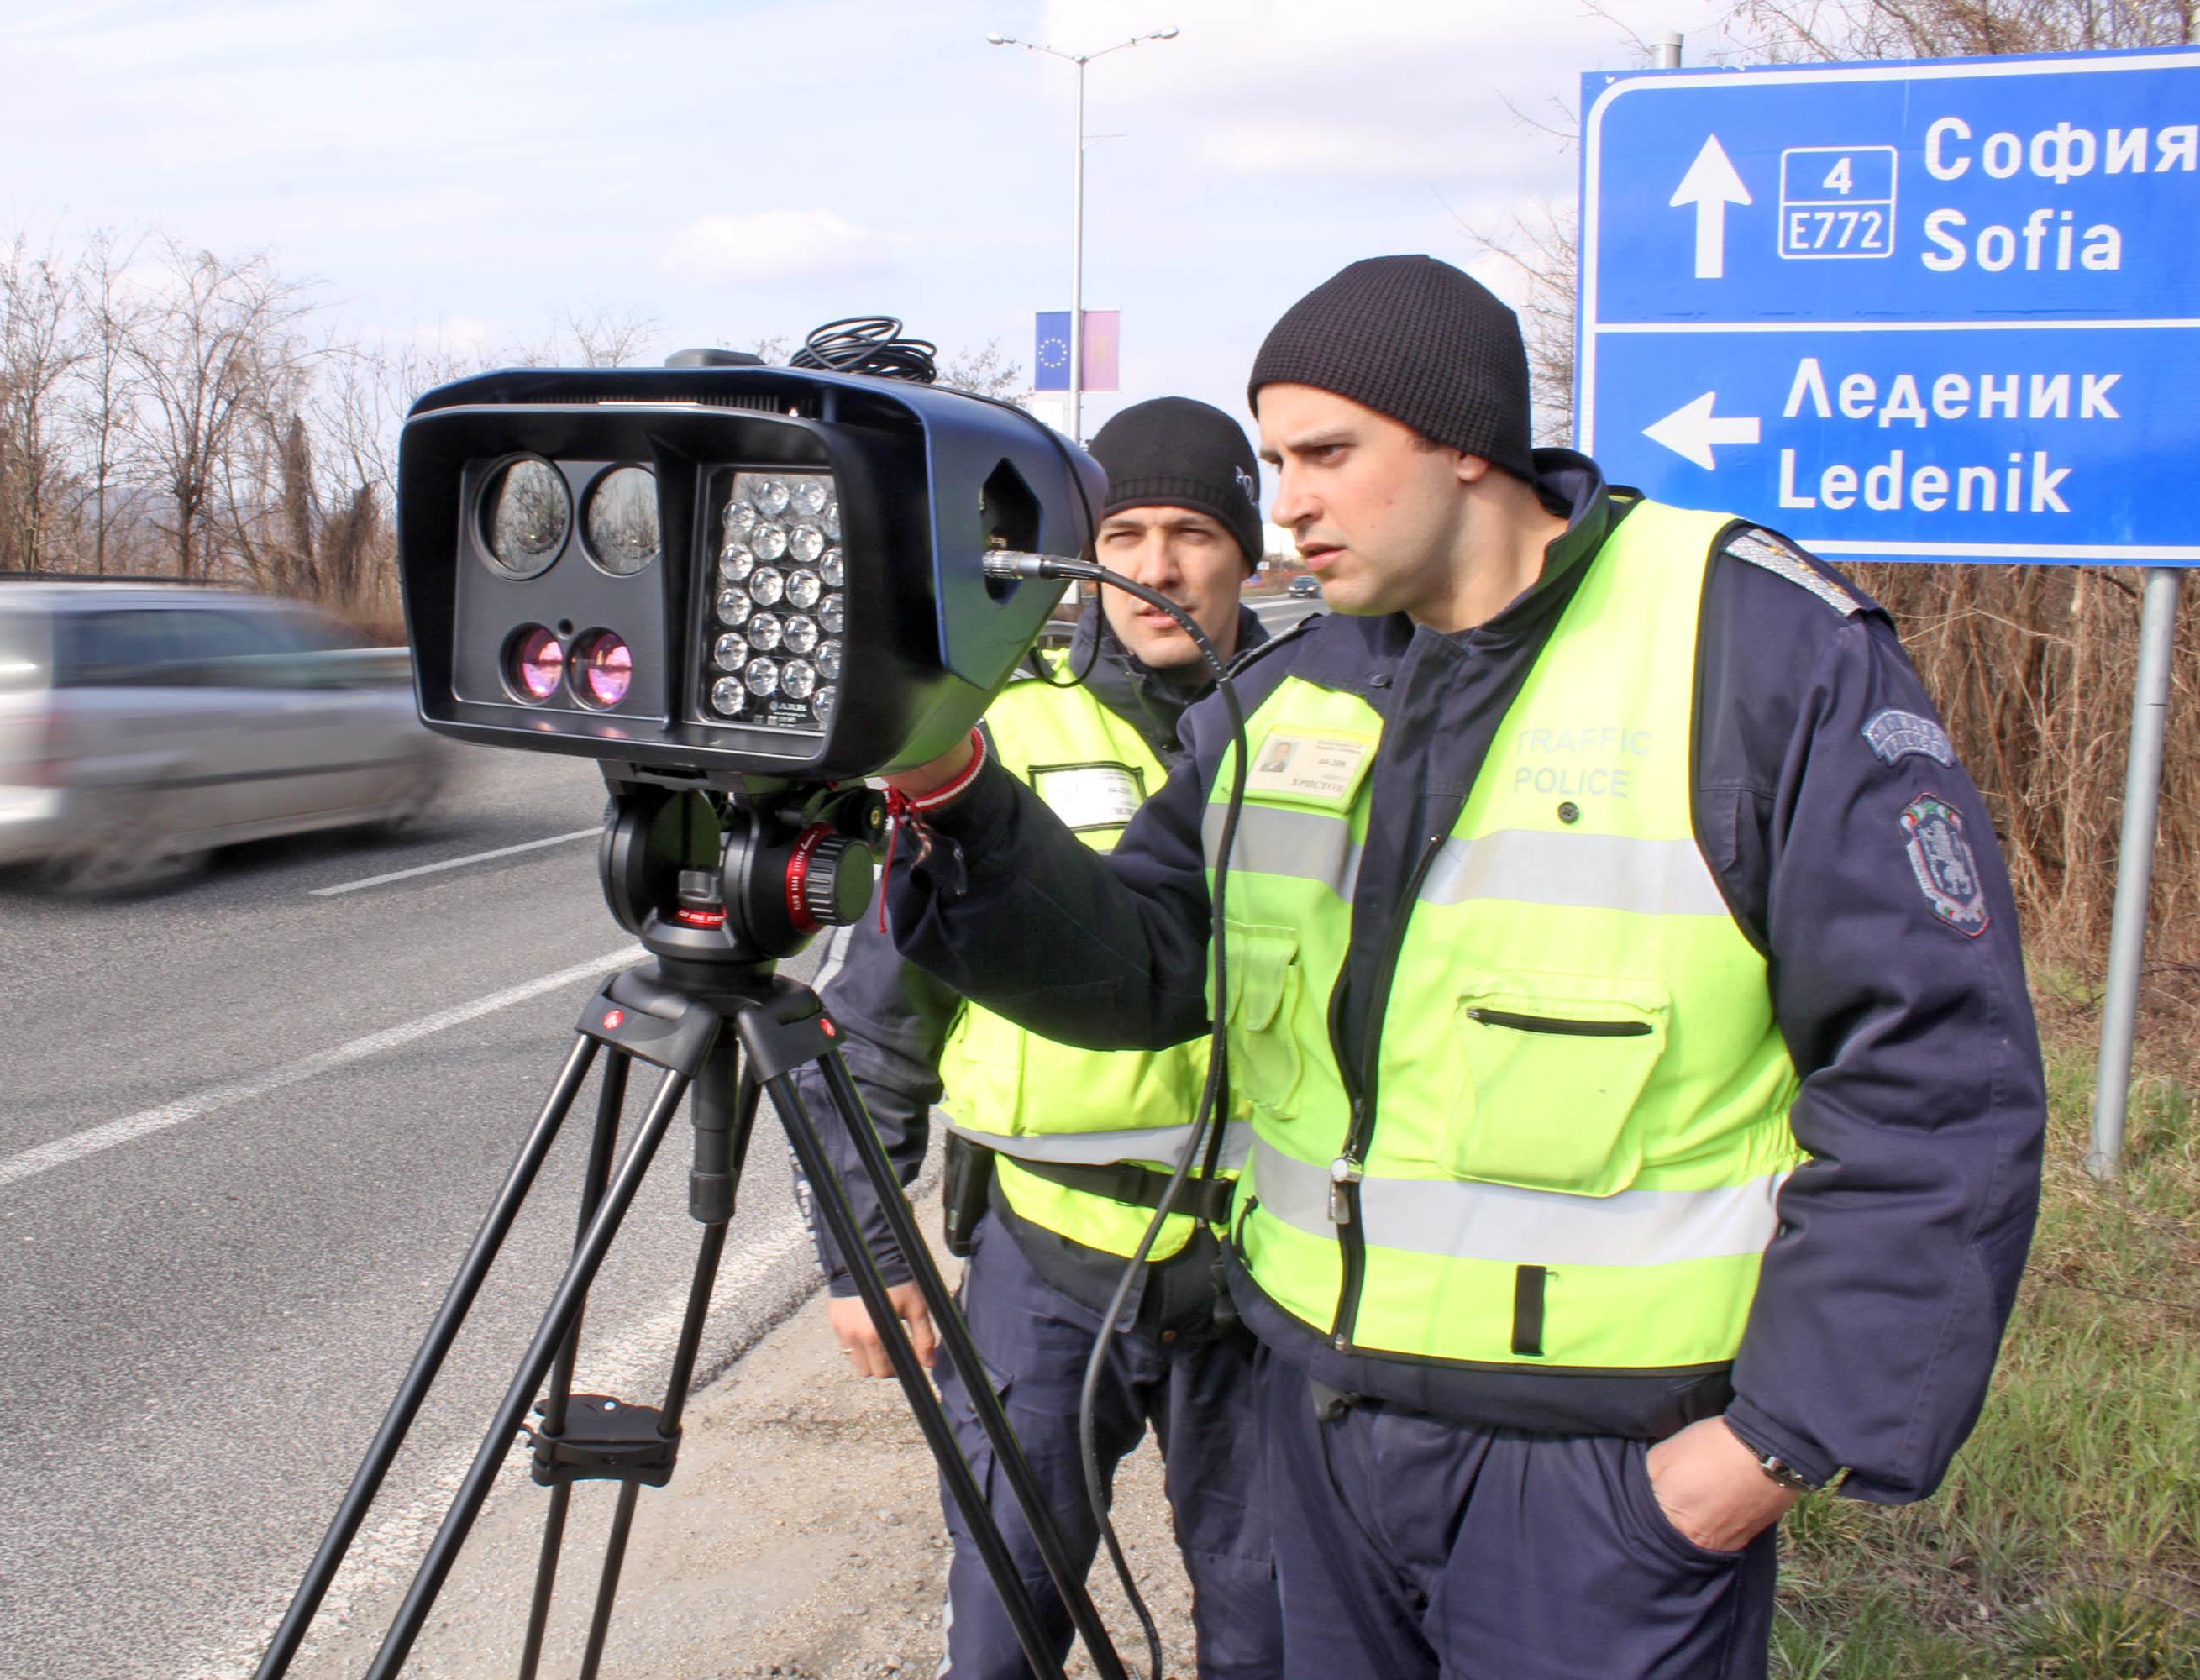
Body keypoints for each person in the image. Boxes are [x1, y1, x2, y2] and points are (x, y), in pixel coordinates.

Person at [874, 257, 2045, 1677]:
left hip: (1611, 1478)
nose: (1288, 502)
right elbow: (1138, 972)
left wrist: (1776, 1447)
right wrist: (949, 782)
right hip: (1319, 1426)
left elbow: (1938, 1074)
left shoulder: (1746, 644)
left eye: (1327, 454)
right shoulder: (1298, 688)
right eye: (1275, 460)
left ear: (1469, 446)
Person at [791, 396, 1283, 1680]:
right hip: (1046, 1265)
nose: (1157, 568)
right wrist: (863, 1257)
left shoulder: (1321, 733)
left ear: (1249, 548)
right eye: (1125, 532)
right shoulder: (998, 737)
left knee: (1273, 1634)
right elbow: (872, 1026)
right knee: (1005, 1628)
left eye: (1193, 532)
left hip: (1262, 1276)